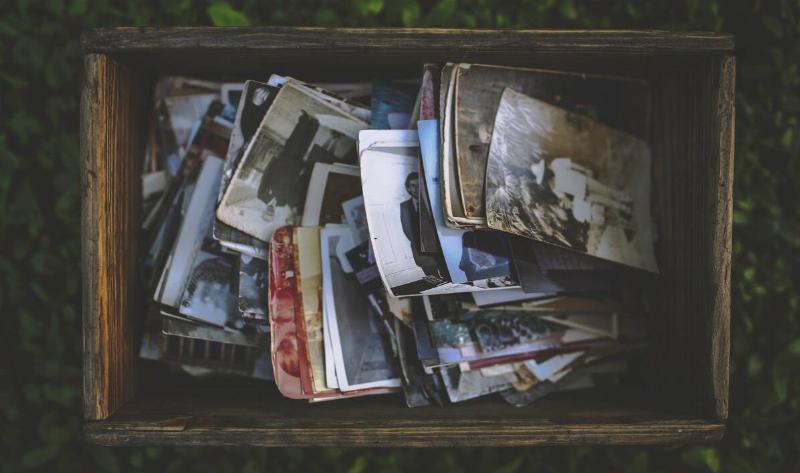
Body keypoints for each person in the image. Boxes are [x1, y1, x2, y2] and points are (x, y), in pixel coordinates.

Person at [399, 172, 442, 279]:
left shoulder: (431, 201)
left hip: (438, 247)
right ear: (408, 188)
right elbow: (407, 229)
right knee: (433, 279)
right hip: (420, 249)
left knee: (448, 275)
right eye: (413, 185)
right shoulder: (404, 206)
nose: (416, 188)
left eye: (419, 185)